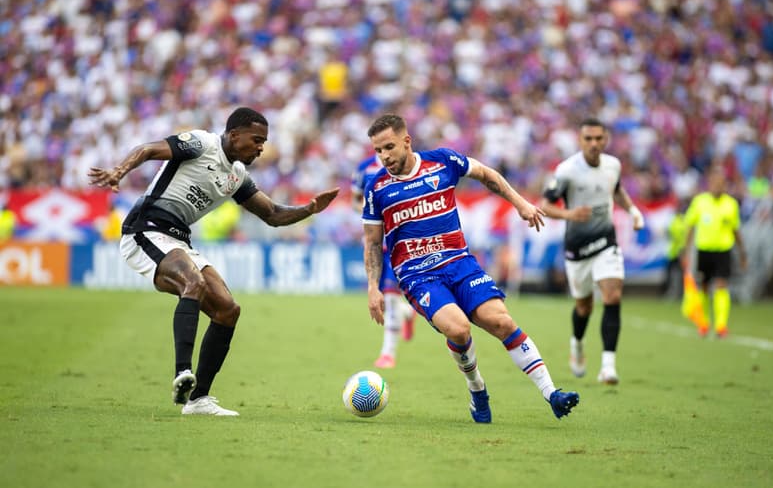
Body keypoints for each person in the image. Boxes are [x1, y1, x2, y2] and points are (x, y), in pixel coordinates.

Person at [88, 107, 339, 416]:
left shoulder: (237, 176)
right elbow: (149, 149)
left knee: (227, 310)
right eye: (257, 140)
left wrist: (310, 208)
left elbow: (273, 215)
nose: (261, 148)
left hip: (178, 239)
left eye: (264, 142)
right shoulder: (200, 144)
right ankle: (183, 374)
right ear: (234, 135)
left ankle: (198, 399)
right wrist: (119, 171)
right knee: (193, 282)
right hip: (145, 229)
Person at [361, 114, 579, 423]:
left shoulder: (442, 161)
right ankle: (477, 389)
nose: (384, 156)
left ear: (407, 141)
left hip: (460, 262)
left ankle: (552, 393)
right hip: (418, 276)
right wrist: (374, 288)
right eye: (378, 151)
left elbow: (487, 175)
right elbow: (372, 243)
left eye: (389, 147)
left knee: (500, 320)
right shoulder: (377, 188)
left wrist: (521, 204)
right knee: (459, 328)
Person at [540, 118, 645, 385]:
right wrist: (569, 213)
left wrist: (632, 210)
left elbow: (617, 191)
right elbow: (545, 206)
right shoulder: (567, 171)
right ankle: (577, 344)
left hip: (606, 242)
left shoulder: (613, 165)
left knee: (612, 295)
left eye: (599, 138)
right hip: (577, 248)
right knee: (584, 306)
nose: (594, 144)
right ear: (580, 140)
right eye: (589, 139)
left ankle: (608, 366)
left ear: (606, 139)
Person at [351, 154, 416, 368]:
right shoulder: (365, 168)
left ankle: (388, 353)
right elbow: (355, 200)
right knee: (384, 299)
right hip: (375, 242)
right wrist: (372, 211)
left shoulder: (407, 166)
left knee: (389, 296)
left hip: (399, 241)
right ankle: (408, 312)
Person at [681, 167, 747, 338]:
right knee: (703, 287)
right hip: (704, 250)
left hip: (723, 251)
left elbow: (736, 230)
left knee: (721, 285)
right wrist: (686, 251)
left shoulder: (730, 204)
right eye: (714, 183)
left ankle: (721, 325)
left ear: (725, 185)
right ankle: (703, 323)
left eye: (720, 183)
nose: (717, 186)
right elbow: (690, 227)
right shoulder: (700, 202)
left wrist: (742, 253)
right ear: (709, 184)